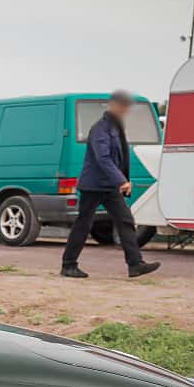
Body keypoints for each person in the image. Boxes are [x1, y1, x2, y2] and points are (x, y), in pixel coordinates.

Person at [61, 91, 160, 279]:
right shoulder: (100, 128)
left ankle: (135, 264)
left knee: (126, 221)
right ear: (113, 106)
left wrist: (119, 179)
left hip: (109, 186)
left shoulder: (115, 128)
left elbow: (119, 156)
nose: (125, 111)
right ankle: (68, 265)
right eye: (123, 107)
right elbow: (103, 158)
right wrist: (121, 180)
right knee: (83, 224)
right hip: (93, 185)